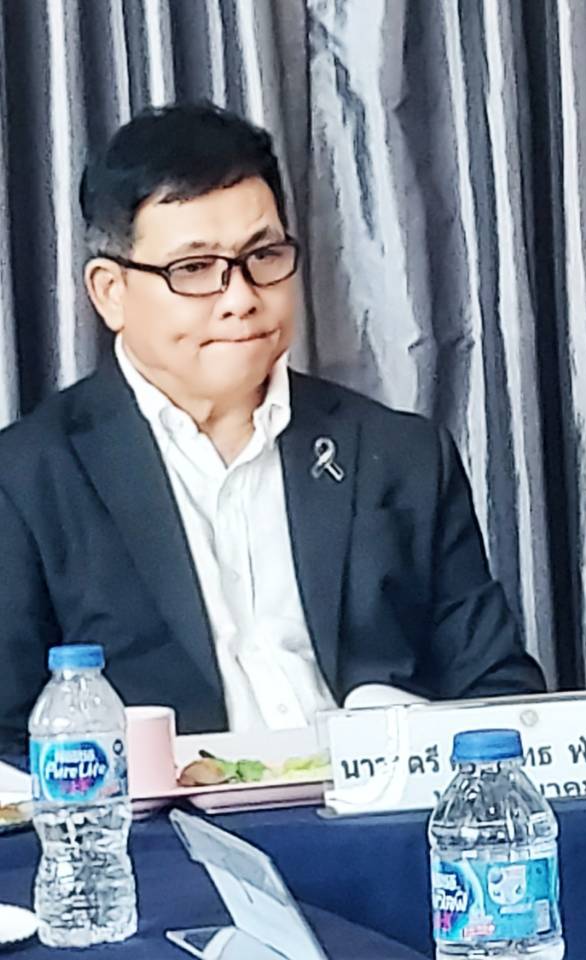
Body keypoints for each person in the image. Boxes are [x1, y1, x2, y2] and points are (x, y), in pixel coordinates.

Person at [0, 103, 544, 751]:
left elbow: (497, 689)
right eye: (194, 269)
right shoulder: (28, 481)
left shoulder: (400, 455)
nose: (241, 298)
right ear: (110, 291)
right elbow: (8, 741)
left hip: (383, 803)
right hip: (161, 815)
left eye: (263, 255)